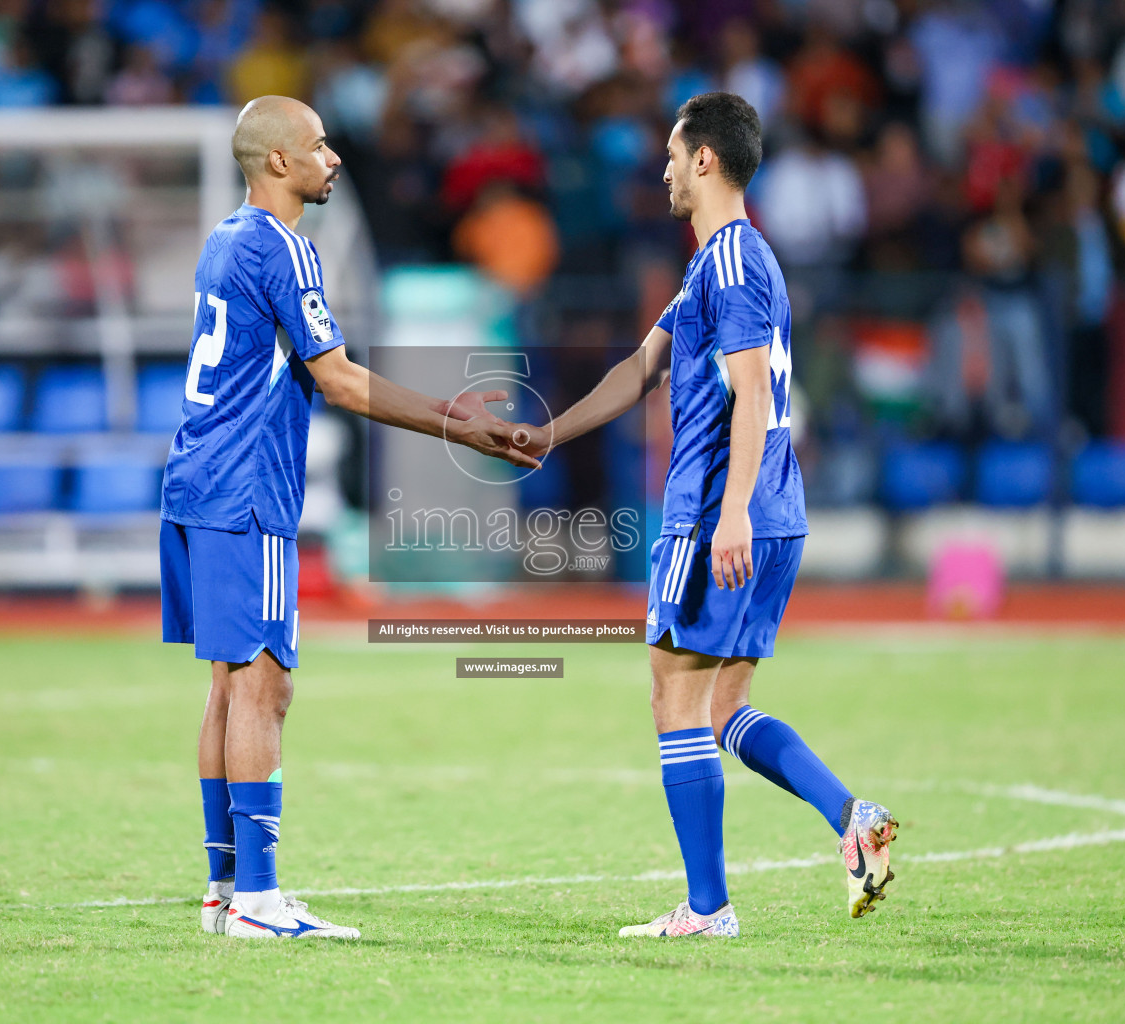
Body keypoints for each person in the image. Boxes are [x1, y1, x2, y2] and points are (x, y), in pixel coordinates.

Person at [516, 93, 899, 937]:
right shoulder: (721, 264)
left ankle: (707, 908)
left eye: (670, 154)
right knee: (722, 710)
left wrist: (727, 517)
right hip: (771, 513)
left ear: (705, 161)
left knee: (673, 700)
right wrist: (547, 432)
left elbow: (754, 392)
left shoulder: (729, 263)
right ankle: (852, 817)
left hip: (723, 512)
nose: (661, 169)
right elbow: (639, 368)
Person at [161, 95, 535, 941]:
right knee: (264, 684)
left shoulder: (224, 239)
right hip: (246, 488)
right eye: (319, 146)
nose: (333, 158)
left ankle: (227, 892)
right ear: (280, 165)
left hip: (194, 481)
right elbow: (339, 379)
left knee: (230, 686)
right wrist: (457, 419)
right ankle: (257, 900)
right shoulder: (287, 248)